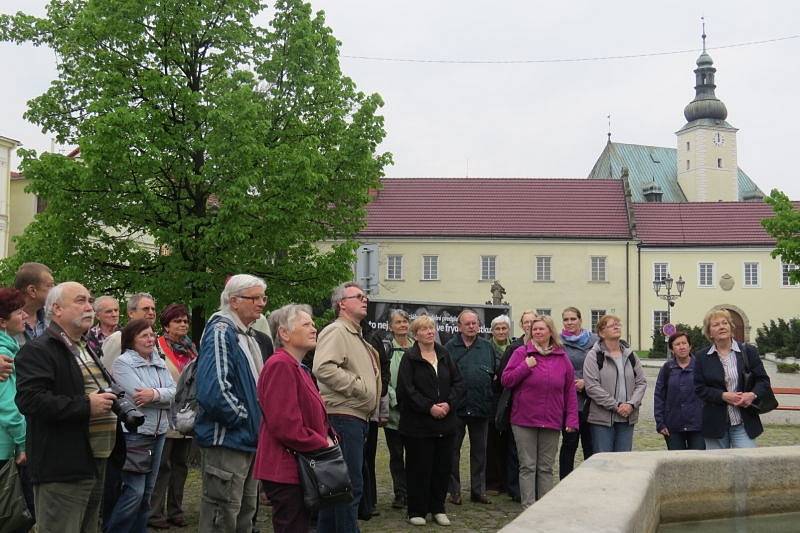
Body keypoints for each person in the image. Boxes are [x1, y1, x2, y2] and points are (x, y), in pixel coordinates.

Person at [15, 282, 118, 533]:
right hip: (62, 467)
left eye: (90, 300)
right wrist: (86, 405)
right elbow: (31, 400)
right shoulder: (38, 350)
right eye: (80, 300)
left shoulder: (84, 347)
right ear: (57, 309)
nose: (89, 307)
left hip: (95, 461)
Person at [195, 274, 266, 533]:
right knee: (222, 515)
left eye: (262, 298)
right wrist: (244, 419)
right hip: (226, 440)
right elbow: (215, 390)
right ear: (234, 301)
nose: (261, 304)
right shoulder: (221, 330)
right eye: (254, 298)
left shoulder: (246, 334)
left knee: (244, 515)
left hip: (245, 440)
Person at [254, 304, 331, 533]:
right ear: (284, 333)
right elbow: (285, 426)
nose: (314, 329)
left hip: (299, 466)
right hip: (285, 469)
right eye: (306, 324)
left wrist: (331, 437)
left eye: (313, 324)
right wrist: (322, 443)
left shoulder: (298, 367)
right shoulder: (281, 365)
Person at [312, 282, 381, 533]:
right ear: (342, 303)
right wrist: (360, 387)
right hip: (343, 416)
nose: (365, 300)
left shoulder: (355, 334)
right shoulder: (337, 331)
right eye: (359, 296)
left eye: (366, 296)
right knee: (348, 487)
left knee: (337, 490)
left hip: (355, 418)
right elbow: (323, 368)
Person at [501, 315, 578, 508]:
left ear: (550, 332)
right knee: (527, 466)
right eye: (534, 329)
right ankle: (528, 507)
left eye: (541, 329)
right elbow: (506, 380)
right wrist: (525, 367)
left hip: (551, 419)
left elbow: (569, 389)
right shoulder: (521, 353)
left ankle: (543, 508)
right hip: (524, 419)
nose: (537, 332)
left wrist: (571, 419)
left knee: (545, 468)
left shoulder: (561, 357)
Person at [107, 319, 175, 533]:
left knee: (148, 492)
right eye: (143, 335)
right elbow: (137, 394)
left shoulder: (160, 361)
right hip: (136, 434)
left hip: (160, 431)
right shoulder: (123, 363)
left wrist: (154, 394)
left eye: (151, 335)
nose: (150, 339)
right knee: (134, 491)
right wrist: (161, 394)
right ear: (131, 339)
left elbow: (175, 392)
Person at [397, 314, 464, 526]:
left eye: (432, 328)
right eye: (424, 329)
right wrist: (429, 407)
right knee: (419, 468)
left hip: (445, 423)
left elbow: (459, 383)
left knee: (442, 467)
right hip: (418, 425)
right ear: (415, 334)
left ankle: (438, 508)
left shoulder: (445, 354)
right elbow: (406, 390)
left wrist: (448, 404)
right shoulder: (410, 358)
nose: (430, 332)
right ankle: (416, 510)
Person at [148, 304, 197, 529]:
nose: (183, 325)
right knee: (162, 465)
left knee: (181, 464)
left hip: (187, 416)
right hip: (164, 413)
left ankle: (176, 510)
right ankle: (155, 512)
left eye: (185, 321)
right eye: (178, 321)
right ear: (166, 325)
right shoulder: (156, 346)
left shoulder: (191, 350)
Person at [693, 309, 772, 449]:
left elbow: (763, 381)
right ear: (710, 333)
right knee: (718, 468)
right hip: (715, 424)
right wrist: (723, 395)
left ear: (731, 327)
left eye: (725, 323)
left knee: (746, 465)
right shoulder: (701, 357)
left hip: (743, 422)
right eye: (716, 324)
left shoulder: (749, 352)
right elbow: (699, 389)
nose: (722, 326)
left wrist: (752, 395)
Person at [445, 309, 496, 505]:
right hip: (456, 408)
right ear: (459, 327)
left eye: (474, 323)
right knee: (452, 452)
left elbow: (494, 375)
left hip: (480, 406)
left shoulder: (486, 347)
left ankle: (478, 491)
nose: (472, 326)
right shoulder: (450, 347)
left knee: (480, 452)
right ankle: (454, 491)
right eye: (467, 323)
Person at [583, 315, 647, 453]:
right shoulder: (594, 356)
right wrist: (616, 405)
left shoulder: (630, 355)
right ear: (601, 332)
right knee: (604, 461)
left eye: (618, 324)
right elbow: (592, 387)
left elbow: (641, 382)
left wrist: (631, 404)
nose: (616, 327)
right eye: (611, 325)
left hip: (627, 417)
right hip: (602, 419)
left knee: (624, 460)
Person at [495, 311, 538, 503]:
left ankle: (533, 487)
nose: (529, 325)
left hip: (537, 407)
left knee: (534, 451)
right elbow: (504, 377)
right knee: (516, 450)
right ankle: (515, 488)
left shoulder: (546, 346)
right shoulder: (515, 348)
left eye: (533, 322)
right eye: (526, 322)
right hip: (516, 405)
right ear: (521, 325)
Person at [0, 288, 32, 519]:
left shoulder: (8, 347)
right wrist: (23, 442)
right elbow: (7, 406)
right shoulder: (3, 353)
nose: (25, 316)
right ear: (2, 322)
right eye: (19, 312)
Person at [558, 307, 598, 477]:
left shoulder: (595, 341)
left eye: (573, 319)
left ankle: (590, 481)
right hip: (568, 403)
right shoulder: (557, 342)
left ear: (580, 320)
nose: (569, 323)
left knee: (590, 446)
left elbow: (602, 368)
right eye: (566, 319)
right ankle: (565, 481)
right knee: (569, 444)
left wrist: (587, 383)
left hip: (591, 402)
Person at [359, 319, 390, 521]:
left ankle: (369, 501)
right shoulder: (334, 332)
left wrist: (382, 387)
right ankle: (359, 503)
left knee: (368, 456)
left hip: (371, 407)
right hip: (350, 407)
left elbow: (383, 365)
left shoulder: (372, 336)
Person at [654, 331, 705, 450]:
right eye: (677, 344)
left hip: (698, 425)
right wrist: (660, 423)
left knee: (699, 461)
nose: (681, 347)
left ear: (690, 346)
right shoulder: (667, 369)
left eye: (684, 343)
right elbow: (659, 396)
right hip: (673, 425)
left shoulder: (700, 366)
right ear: (672, 349)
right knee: (676, 462)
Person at [383, 309, 412, 509]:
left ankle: (414, 491)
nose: (402, 325)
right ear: (390, 326)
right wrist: (395, 399)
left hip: (415, 412)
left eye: (405, 322)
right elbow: (384, 378)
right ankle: (400, 493)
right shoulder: (386, 350)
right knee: (396, 456)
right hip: (394, 413)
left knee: (415, 455)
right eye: (398, 322)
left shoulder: (417, 348)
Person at [486, 314, 511, 493]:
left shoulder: (515, 347)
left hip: (510, 399)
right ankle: (492, 481)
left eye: (504, 328)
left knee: (509, 443)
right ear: (492, 330)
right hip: (492, 398)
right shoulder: (486, 347)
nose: (501, 331)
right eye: (497, 328)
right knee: (491, 442)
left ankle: (507, 480)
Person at [102, 292, 157, 369]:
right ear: (131, 313)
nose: (151, 313)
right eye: (146, 309)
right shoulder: (118, 338)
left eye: (153, 309)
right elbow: (106, 371)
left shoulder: (154, 340)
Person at [13, 262, 54, 345]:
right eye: (50, 285)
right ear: (32, 290)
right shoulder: (6, 320)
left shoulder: (53, 317)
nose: (55, 290)